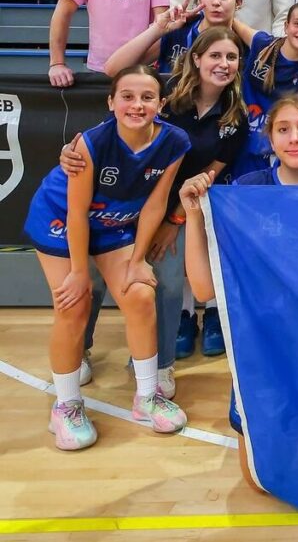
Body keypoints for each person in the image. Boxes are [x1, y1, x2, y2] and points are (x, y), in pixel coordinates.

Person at [177, 93, 298, 490]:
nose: (294, 138)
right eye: (283, 130)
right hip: (267, 343)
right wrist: (195, 214)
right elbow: (201, 287)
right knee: (261, 482)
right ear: (269, 139)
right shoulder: (248, 193)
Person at [24, 66, 190, 451]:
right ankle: (65, 406)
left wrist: (136, 261)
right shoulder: (92, 143)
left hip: (113, 224)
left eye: (147, 97)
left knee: (140, 293)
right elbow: (77, 212)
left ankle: (147, 398)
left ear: (161, 104)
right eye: (127, 96)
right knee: (74, 304)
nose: (137, 104)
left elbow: (154, 205)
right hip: (61, 219)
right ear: (111, 102)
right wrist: (80, 272)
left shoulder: (174, 141)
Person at [65, 27, 249, 373]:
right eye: (214, 55)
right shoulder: (163, 92)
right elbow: (115, 131)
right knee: (95, 278)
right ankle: (80, 351)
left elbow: (206, 177)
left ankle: (156, 364)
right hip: (124, 200)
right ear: (196, 59)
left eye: (231, 57)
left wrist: (172, 221)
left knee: (165, 280)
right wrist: (71, 152)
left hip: (175, 208)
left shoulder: (235, 117)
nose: (222, 64)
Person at [231, 2, 298, 177]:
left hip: (279, 153)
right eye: (297, 23)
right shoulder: (262, 45)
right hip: (241, 143)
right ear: (286, 26)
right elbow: (231, 20)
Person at [104, 0, 243, 77]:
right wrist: (158, 29)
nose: (216, 2)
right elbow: (113, 69)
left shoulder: (244, 42)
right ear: (199, 0)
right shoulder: (178, 31)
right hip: (171, 110)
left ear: (238, 3)